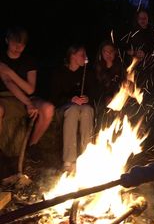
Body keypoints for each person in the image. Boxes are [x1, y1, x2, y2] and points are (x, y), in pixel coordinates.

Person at [0, 26, 54, 156]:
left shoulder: (29, 60)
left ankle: (31, 146)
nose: (18, 47)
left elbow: (30, 89)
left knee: (48, 108)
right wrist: (28, 103)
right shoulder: (1, 59)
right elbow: (9, 84)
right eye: (15, 42)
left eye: (22, 44)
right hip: (6, 97)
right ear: (7, 40)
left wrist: (9, 71)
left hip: (27, 98)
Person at [50, 44, 95, 173]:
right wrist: (70, 100)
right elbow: (54, 97)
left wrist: (88, 98)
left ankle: (86, 157)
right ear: (72, 55)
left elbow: (94, 93)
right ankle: (69, 160)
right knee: (73, 111)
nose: (85, 57)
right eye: (82, 55)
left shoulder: (87, 72)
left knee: (87, 111)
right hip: (65, 109)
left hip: (83, 108)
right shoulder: (59, 73)